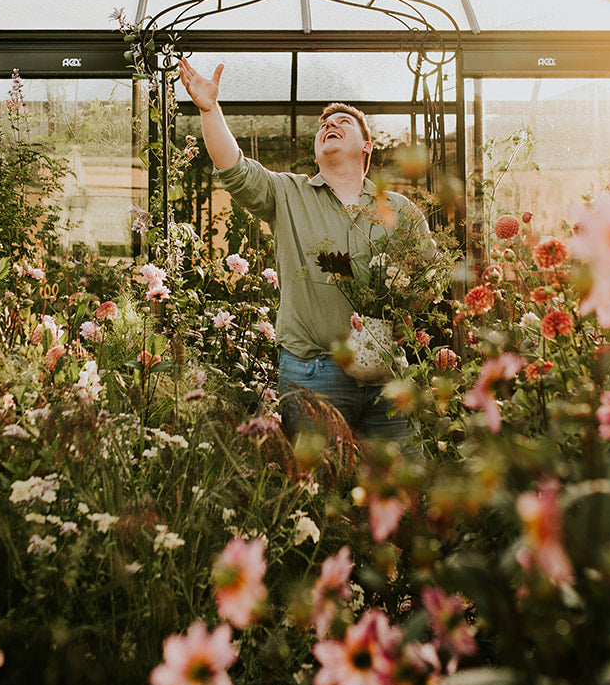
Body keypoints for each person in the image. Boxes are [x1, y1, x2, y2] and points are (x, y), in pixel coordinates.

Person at [177, 56, 432, 445]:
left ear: (367, 146)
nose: (330, 125)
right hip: (314, 373)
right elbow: (235, 169)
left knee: (402, 489)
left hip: (387, 376)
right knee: (318, 490)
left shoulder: (399, 209)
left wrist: (405, 319)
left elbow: (429, 276)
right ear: (316, 152)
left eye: (342, 123)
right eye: (324, 126)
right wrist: (211, 111)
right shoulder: (287, 194)